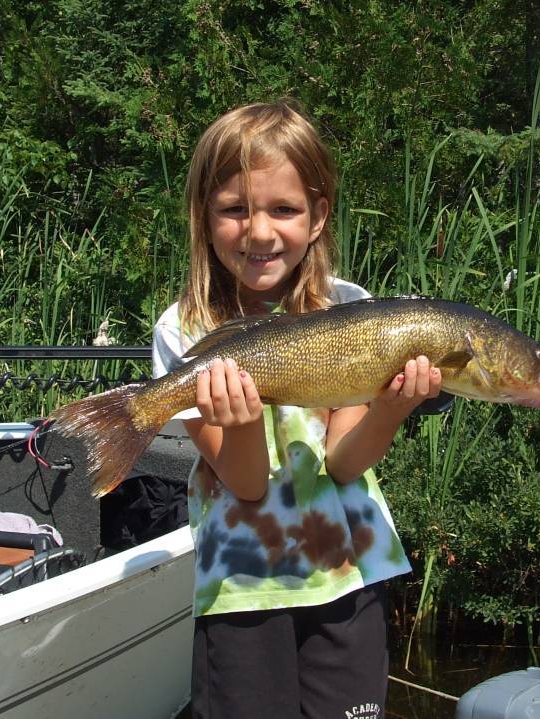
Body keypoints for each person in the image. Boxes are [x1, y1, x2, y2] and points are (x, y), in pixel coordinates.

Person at [152, 100, 442, 718]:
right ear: (203, 218)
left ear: (317, 217)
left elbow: (342, 463)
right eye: (234, 209)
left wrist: (391, 410)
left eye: (283, 209)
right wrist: (246, 417)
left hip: (347, 573)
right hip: (243, 586)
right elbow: (247, 484)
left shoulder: (354, 310)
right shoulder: (184, 331)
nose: (260, 232)